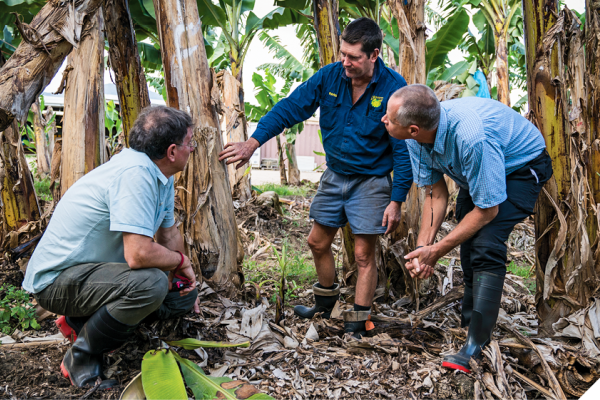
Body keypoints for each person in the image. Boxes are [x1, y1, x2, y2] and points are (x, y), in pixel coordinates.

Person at [219, 17, 413, 338]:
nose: (345, 62)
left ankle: (357, 323)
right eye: (343, 54)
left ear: (374, 54)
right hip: (335, 175)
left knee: (364, 255)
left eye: (353, 57)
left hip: (372, 181)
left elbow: (404, 150)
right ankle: (326, 302)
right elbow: (290, 108)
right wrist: (253, 143)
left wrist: (396, 200)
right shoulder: (330, 77)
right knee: (316, 241)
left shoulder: (394, 88)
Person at [22, 106, 200, 388]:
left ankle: (80, 322)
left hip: (93, 275)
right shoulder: (135, 175)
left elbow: (168, 233)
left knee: (180, 297)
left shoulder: (161, 176)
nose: (193, 149)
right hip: (57, 282)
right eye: (191, 143)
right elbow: (139, 254)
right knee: (151, 284)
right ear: (172, 152)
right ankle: (81, 355)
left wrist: (181, 278)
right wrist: (181, 262)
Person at [382, 84, 553, 372]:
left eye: (389, 117)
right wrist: (424, 248)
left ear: (412, 128)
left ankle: (476, 344)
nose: (383, 120)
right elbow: (434, 194)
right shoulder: (415, 137)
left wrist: (437, 251)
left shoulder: (472, 138)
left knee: (485, 242)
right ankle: (469, 323)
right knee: (468, 241)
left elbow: (488, 210)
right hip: (476, 170)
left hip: (521, 168)